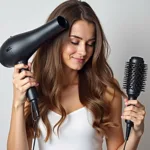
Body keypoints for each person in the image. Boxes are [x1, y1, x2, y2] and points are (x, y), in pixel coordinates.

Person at [7, 0, 146, 150]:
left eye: (90, 43)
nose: (83, 52)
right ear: (55, 40)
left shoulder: (105, 90)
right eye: (75, 41)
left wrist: (136, 134)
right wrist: (18, 103)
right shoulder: (34, 89)